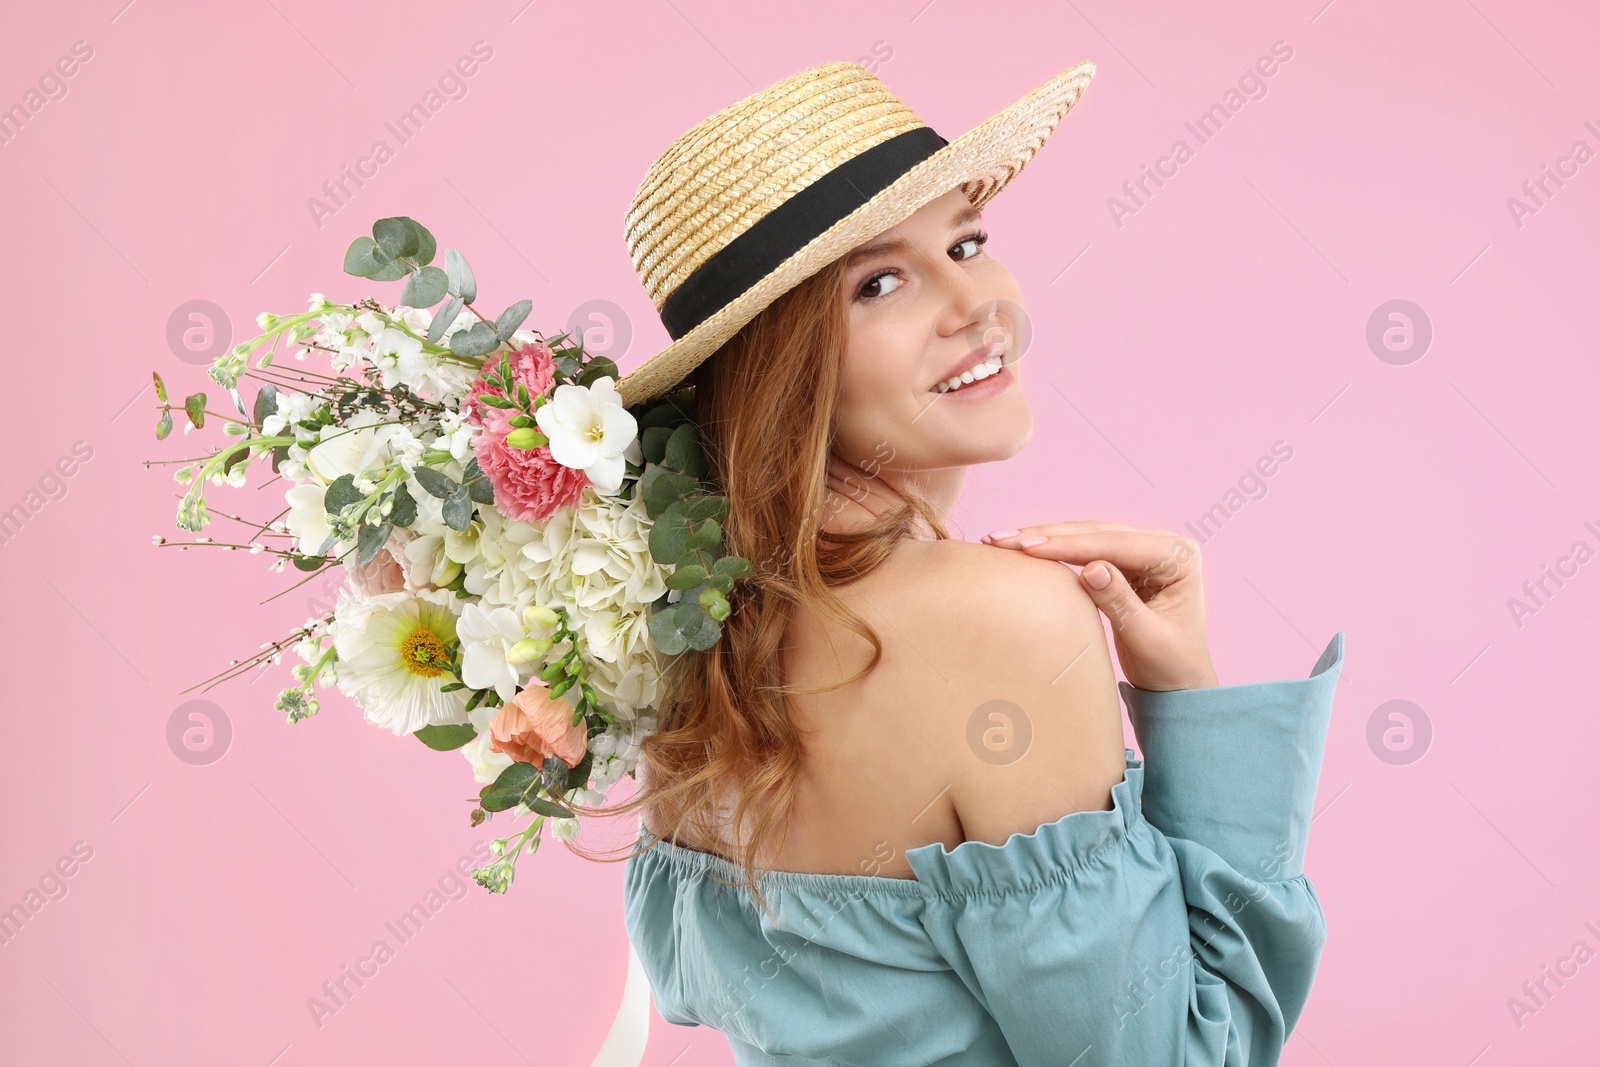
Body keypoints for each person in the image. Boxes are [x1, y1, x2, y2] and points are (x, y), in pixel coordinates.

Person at [605, 59, 1345, 1066]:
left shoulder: (676, 625)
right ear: (778, 361)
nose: (977, 304)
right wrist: (1194, 707)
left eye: (966, 242)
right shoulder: (1003, 620)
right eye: (879, 281)